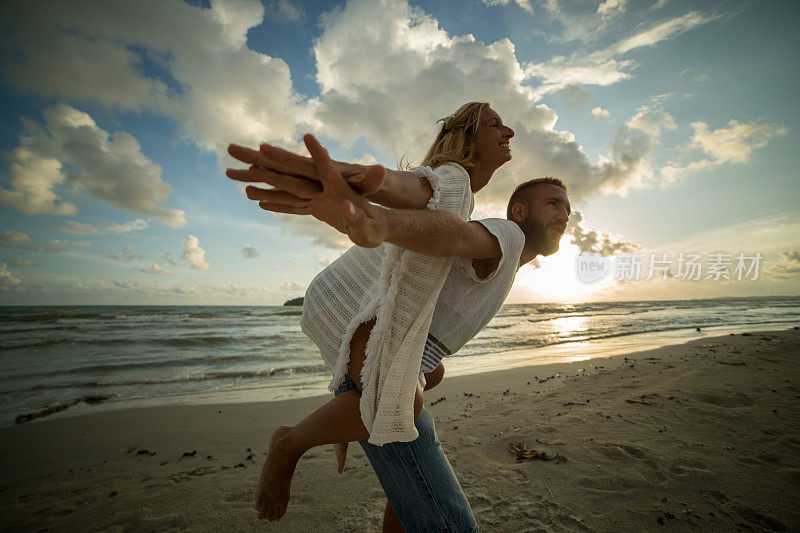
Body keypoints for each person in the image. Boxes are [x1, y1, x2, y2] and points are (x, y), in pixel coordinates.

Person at [227, 103, 569, 531]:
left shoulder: (468, 203)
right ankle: (289, 443)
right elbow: (420, 197)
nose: (510, 131)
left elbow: (423, 202)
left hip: (359, 305)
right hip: (348, 305)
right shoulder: (484, 211)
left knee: (429, 376)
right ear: (519, 212)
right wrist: (371, 200)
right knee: (403, 401)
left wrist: (372, 200)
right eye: (495, 124)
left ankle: (354, 420)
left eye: (567, 210)